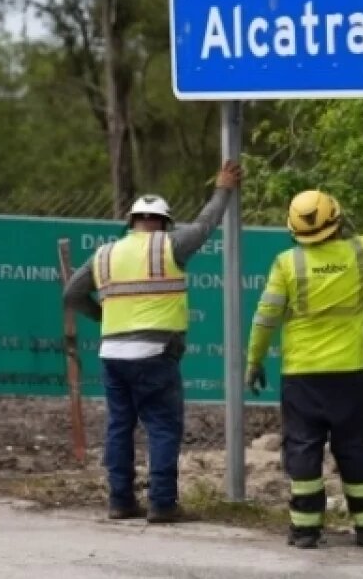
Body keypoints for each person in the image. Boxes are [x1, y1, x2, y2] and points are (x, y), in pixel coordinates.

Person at [245, 173, 363, 549]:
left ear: (294, 230)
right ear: (338, 220)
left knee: (302, 447)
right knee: (355, 447)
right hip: (349, 373)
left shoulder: (286, 264)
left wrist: (255, 360)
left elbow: (265, 318)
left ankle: (305, 529)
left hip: (302, 376)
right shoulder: (362, 253)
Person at [63, 160, 243, 523]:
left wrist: (101, 315)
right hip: (155, 353)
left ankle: (120, 501)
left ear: (132, 222)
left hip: (113, 354)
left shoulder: (105, 254)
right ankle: (162, 503)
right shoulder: (169, 246)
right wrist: (223, 188)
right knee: (162, 426)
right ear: (163, 222)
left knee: (119, 426)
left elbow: (71, 294)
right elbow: (205, 224)